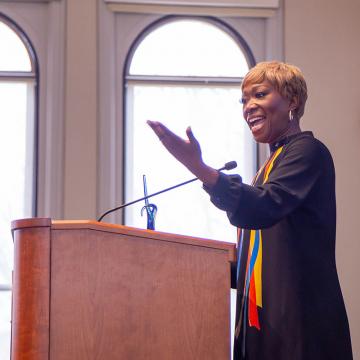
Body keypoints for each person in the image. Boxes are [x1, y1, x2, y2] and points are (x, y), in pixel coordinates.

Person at [147, 61, 353, 359]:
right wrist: (185, 262)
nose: (249, 106)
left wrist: (200, 168)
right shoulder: (266, 169)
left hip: (300, 327)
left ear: (292, 101)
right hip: (266, 324)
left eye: (259, 95)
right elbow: (257, 261)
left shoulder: (307, 151)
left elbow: (262, 208)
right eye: (244, 100)